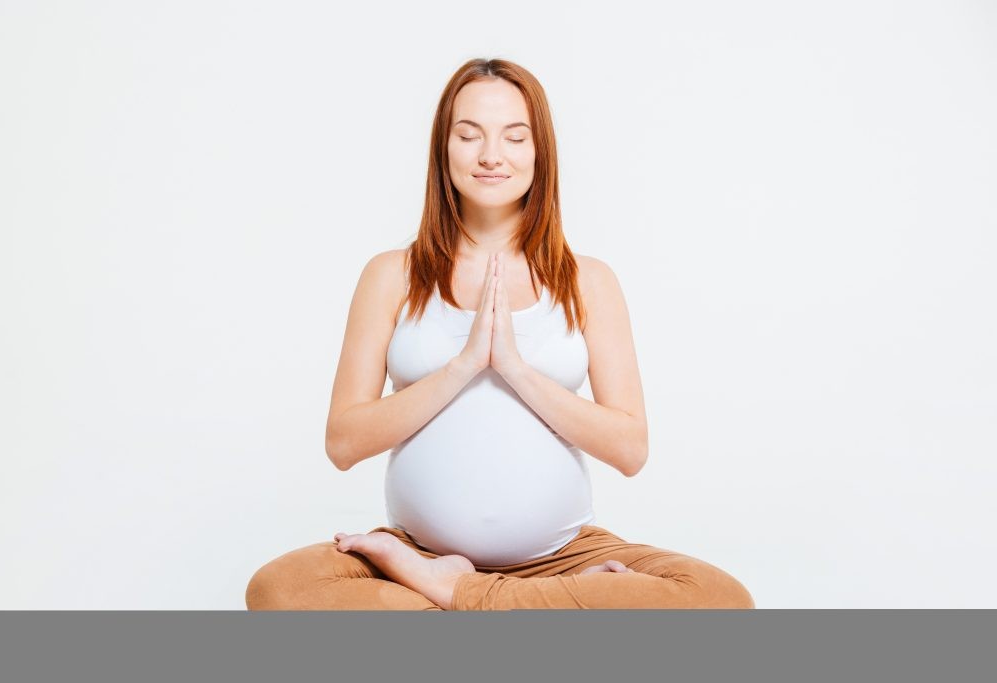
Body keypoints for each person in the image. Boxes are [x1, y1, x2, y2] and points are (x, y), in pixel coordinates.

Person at [245, 58, 755, 610]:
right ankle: (524, 606)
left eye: (515, 136)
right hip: (413, 548)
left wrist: (513, 367)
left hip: (566, 555)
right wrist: (463, 366)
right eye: (469, 135)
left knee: (719, 600)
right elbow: (343, 443)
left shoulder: (589, 281)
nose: (491, 155)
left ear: (540, 153)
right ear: (445, 148)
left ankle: (448, 590)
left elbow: (630, 450)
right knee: (279, 589)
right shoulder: (391, 275)